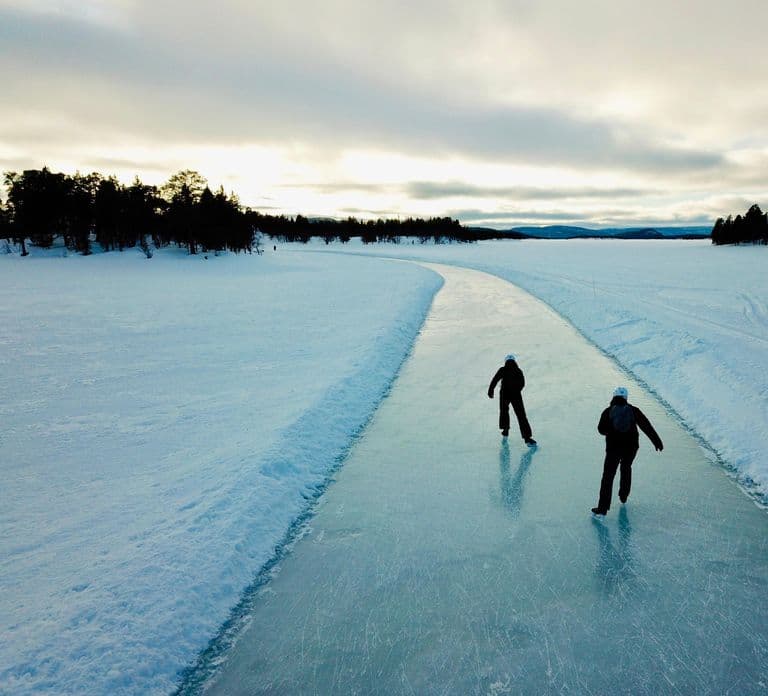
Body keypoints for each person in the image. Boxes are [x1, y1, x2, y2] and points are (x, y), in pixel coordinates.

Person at [591, 386, 663, 516]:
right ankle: (623, 496)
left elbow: (601, 429)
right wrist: (656, 441)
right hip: (631, 447)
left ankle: (602, 509)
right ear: (626, 398)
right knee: (626, 467)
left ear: (613, 396)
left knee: (608, 476)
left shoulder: (608, 411)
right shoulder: (634, 410)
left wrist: (611, 430)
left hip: (613, 448)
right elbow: (646, 426)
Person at [488, 354, 536, 446]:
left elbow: (495, 380)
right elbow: (522, 383)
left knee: (504, 411)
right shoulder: (518, 370)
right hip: (516, 395)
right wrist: (516, 390)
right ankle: (527, 438)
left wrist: (491, 390)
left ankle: (505, 430)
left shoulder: (503, 369)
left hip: (504, 394)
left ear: (506, 361)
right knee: (521, 415)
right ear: (514, 361)